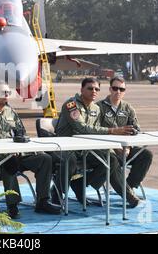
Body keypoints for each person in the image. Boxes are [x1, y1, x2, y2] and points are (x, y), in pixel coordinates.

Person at [0, 83, 62, 218]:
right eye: (3, 93)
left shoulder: (11, 112)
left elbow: (22, 133)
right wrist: (8, 150)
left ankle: (43, 200)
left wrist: (20, 144)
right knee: (10, 163)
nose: (7, 95)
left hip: (19, 154)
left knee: (45, 159)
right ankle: (12, 205)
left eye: (8, 93)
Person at [54, 77, 141, 208]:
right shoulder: (71, 105)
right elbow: (81, 128)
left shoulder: (96, 108)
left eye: (97, 89)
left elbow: (98, 132)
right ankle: (56, 194)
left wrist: (114, 147)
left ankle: (81, 183)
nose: (94, 91)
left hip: (85, 149)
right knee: (70, 161)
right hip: (65, 147)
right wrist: (114, 131)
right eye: (90, 88)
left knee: (111, 159)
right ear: (81, 89)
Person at [97, 76, 153, 192]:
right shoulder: (99, 107)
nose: (118, 92)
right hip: (107, 150)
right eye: (115, 88)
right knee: (112, 160)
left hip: (125, 149)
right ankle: (125, 192)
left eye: (121, 89)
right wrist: (114, 146)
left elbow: (136, 129)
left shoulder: (128, 108)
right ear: (110, 89)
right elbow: (95, 130)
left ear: (124, 92)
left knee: (146, 155)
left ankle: (128, 187)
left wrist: (128, 146)